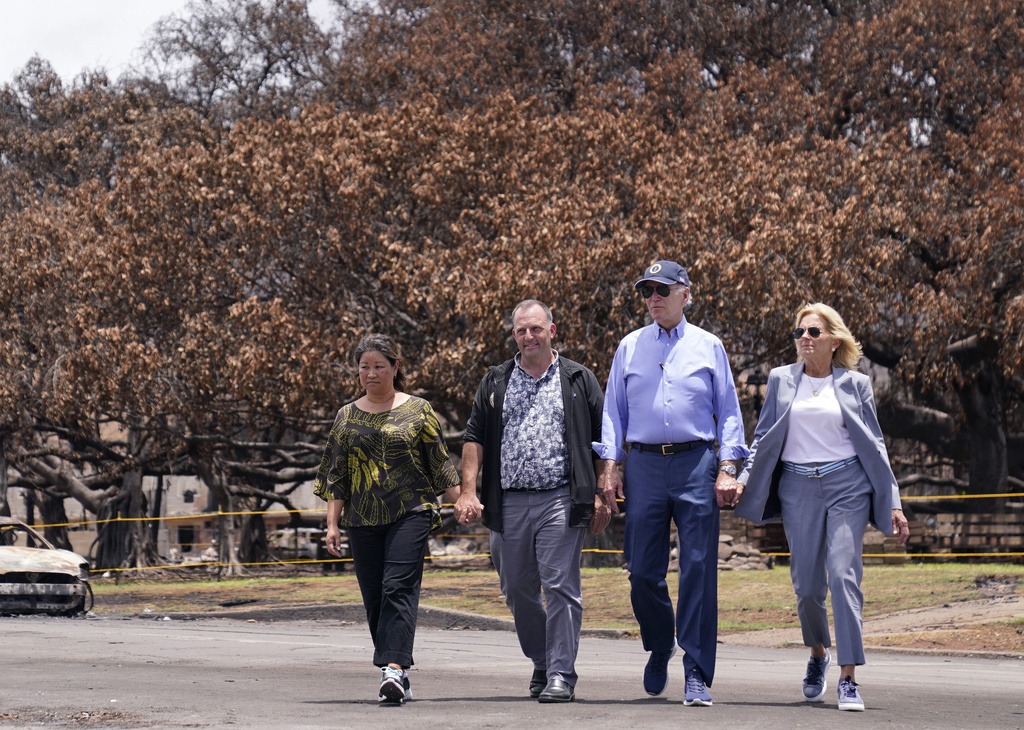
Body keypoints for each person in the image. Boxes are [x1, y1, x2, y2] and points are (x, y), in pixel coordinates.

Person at [734, 303, 910, 712]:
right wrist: (743, 478)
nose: (804, 339)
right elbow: (761, 438)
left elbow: (876, 444)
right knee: (807, 587)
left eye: (813, 332)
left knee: (844, 576)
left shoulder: (855, 384)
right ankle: (817, 653)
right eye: (799, 332)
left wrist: (894, 501)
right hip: (798, 487)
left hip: (848, 484)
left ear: (834, 340)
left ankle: (848, 678)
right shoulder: (780, 380)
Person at [594, 260, 749, 707]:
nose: (654, 298)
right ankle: (661, 642)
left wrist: (728, 467)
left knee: (698, 569)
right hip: (643, 465)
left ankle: (696, 670)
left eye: (663, 289)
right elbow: (612, 412)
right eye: (647, 291)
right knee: (643, 572)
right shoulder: (629, 346)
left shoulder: (708, 345)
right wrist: (610, 465)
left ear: (686, 293)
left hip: (697, 463)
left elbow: (730, 413)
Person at [454, 299, 610, 703]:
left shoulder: (578, 378)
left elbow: (603, 440)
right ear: (514, 335)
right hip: (507, 503)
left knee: (560, 586)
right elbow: (474, 438)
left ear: (551, 331)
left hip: (561, 498)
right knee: (517, 589)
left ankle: (561, 673)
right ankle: (542, 658)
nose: (529, 336)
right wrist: (468, 490)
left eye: (536, 328)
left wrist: (601, 492)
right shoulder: (495, 380)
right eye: (522, 330)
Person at [314, 333, 461, 705]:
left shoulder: (419, 410)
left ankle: (393, 669)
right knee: (374, 596)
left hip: (409, 513)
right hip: (362, 517)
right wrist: (332, 523)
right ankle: (396, 672)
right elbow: (337, 474)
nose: (371, 373)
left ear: (395, 367)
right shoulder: (346, 416)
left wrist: (465, 502)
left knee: (398, 587)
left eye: (379, 366)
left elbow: (439, 465)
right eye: (364, 366)